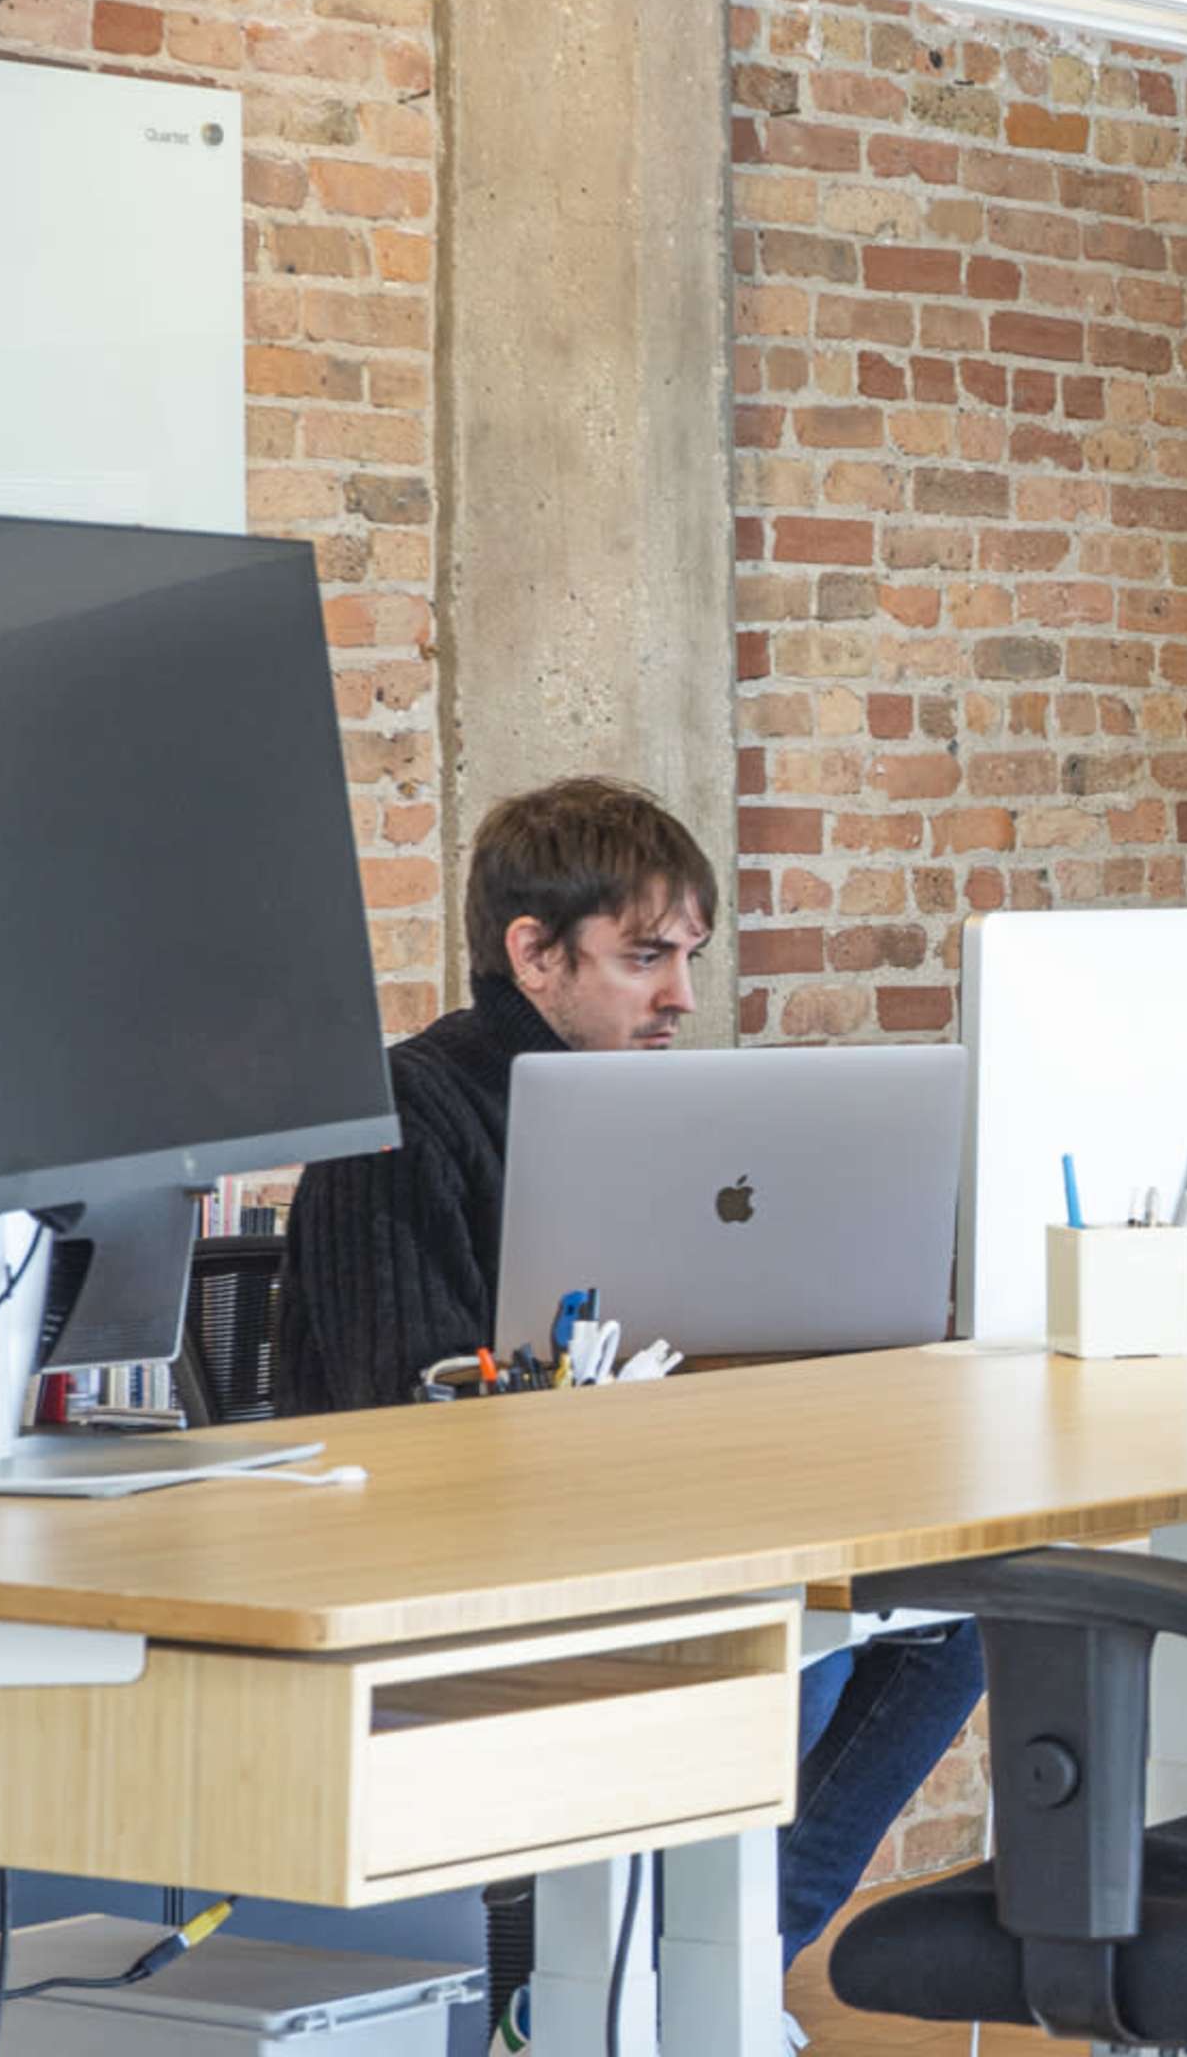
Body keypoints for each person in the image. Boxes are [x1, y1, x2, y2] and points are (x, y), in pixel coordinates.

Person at [275, 777, 984, 1990]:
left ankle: (704, 1974)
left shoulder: (673, 1116)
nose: (681, 998)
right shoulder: (400, 1116)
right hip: (450, 1575)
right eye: (645, 956)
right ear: (533, 954)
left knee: (949, 1615)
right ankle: (659, 1987)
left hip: (641, 1525)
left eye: (691, 956)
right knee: (776, 1642)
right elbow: (411, 1419)